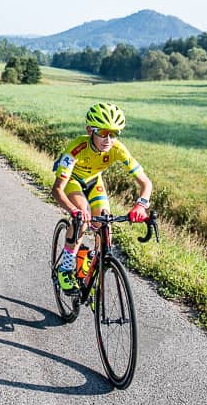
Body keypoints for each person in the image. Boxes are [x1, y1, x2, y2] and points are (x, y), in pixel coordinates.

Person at [51, 102, 153, 293]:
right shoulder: (77, 148)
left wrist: (141, 205)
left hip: (94, 182)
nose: (108, 139)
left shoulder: (117, 149)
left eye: (114, 133)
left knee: (105, 225)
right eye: (103, 132)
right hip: (73, 180)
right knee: (83, 216)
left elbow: (146, 183)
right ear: (90, 130)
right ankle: (65, 268)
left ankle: (92, 266)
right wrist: (73, 211)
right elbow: (57, 189)